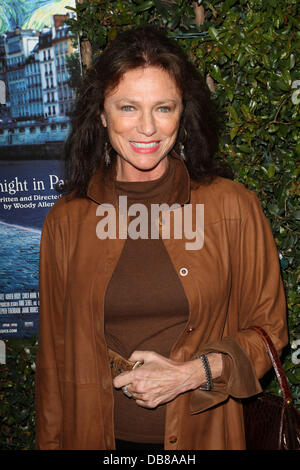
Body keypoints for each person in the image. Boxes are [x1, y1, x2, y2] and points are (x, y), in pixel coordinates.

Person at [35, 26, 288, 450]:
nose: (147, 128)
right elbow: (54, 359)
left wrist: (190, 373)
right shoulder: (66, 220)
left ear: (182, 112)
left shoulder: (232, 207)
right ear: (101, 113)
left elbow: (270, 332)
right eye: (128, 107)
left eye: (164, 108)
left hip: (203, 437)